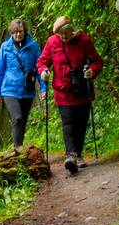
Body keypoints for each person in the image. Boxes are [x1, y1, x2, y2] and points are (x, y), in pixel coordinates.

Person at [37, 15, 104, 174]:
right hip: (62, 91)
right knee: (68, 122)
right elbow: (42, 62)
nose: (64, 37)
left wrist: (92, 71)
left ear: (72, 31)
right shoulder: (52, 42)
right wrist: (44, 72)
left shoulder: (84, 40)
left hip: (82, 89)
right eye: (61, 34)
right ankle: (71, 156)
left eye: (66, 34)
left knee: (81, 122)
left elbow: (97, 61)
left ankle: (78, 154)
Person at [0, 18, 45, 149]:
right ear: (11, 32)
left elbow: (40, 68)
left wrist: (44, 87)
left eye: (20, 31)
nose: (18, 34)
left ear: (25, 31)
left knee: (23, 122)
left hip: (27, 90)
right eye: (15, 32)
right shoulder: (5, 47)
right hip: (9, 90)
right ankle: (18, 149)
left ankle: (19, 149)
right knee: (17, 118)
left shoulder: (33, 47)